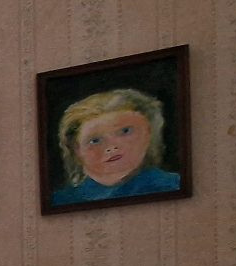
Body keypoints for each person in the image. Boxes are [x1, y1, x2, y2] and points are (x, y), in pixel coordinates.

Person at [49, 88, 181, 206]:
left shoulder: (173, 185)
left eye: (125, 131)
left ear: (149, 133)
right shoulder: (60, 201)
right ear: (76, 150)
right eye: (95, 140)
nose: (112, 147)